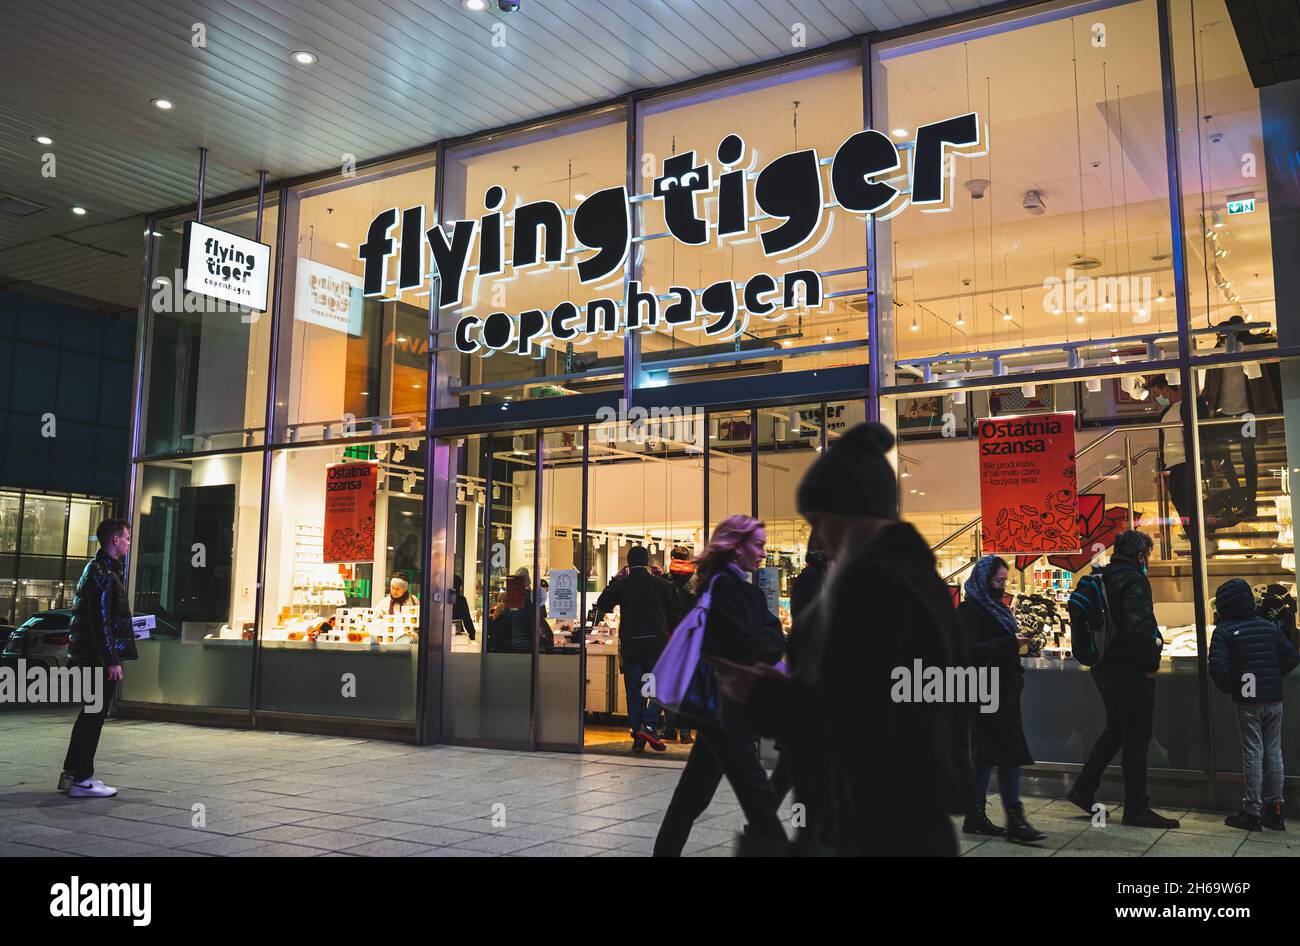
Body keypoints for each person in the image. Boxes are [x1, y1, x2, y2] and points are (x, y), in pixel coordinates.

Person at [713, 424, 969, 856]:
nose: (818, 534)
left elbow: (858, 716)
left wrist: (762, 695)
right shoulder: (913, 578)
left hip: (872, 819)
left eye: (818, 519)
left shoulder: (871, 585)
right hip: (901, 814)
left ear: (844, 513)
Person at [652, 515, 787, 856]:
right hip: (727, 712)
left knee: (689, 801)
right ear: (736, 547)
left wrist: (767, 636)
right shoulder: (731, 589)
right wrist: (770, 639)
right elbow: (754, 642)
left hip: (714, 710)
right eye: (758, 545)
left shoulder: (724, 587)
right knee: (762, 804)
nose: (763, 552)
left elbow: (761, 636)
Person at [1067, 530, 1180, 828]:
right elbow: (1138, 629)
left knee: (1116, 729)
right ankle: (1136, 807)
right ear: (1141, 556)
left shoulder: (1101, 577)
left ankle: (1083, 787)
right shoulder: (1133, 580)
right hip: (1130, 672)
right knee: (1136, 739)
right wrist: (1149, 664)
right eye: (1149, 557)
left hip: (1103, 669)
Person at [958, 556, 1044, 843]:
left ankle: (975, 815)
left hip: (1001, 689)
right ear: (984, 580)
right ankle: (1015, 818)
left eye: (1004, 580)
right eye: (998, 581)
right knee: (1010, 753)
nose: (1002, 586)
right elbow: (968, 651)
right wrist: (1009, 642)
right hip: (986, 692)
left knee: (986, 756)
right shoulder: (971, 610)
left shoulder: (993, 607)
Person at [1209, 578, 1300, 831]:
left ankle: (1252, 812)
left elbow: (1217, 668)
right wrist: (1272, 676)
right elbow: (1292, 655)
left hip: (1249, 702)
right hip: (1273, 700)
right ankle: (1276, 810)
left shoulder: (1224, 631)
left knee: (1253, 753)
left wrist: (1233, 685)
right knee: (1274, 752)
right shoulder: (1268, 626)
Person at [60, 518, 137, 798]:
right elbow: (100, 621)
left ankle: (72, 774)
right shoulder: (103, 572)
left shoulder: (98, 569)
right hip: (96, 660)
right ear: (115, 540)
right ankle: (82, 779)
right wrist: (112, 660)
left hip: (89, 657)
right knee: (93, 716)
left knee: (88, 716)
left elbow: (101, 620)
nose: (129, 543)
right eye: (126, 538)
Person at [595, 545, 677, 752]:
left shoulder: (622, 585)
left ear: (628, 564)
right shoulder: (659, 584)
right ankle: (649, 724)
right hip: (656, 645)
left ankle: (638, 737)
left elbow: (603, 604)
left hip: (631, 644)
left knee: (634, 692)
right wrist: (665, 577)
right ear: (648, 562)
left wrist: (614, 579)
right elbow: (675, 602)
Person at [1201, 315, 1279, 520]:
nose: (1221, 339)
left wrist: (1267, 409)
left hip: (1246, 414)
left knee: (1248, 453)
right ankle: (1238, 492)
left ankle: (1250, 497)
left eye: (1224, 335)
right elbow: (1210, 385)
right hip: (1223, 414)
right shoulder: (1216, 355)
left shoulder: (1246, 353)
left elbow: (1261, 383)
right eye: (1220, 336)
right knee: (1226, 456)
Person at [1144, 375, 1193, 533]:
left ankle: (1201, 539)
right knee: (1181, 507)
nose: (1159, 397)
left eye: (1159, 393)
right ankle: (1196, 540)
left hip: (1188, 463)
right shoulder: (1165, 414)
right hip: (1172, 467)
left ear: (1166, 390)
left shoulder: (1191, 405)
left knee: (1191, 507)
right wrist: (1162, 472)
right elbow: (1162, 444)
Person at [663, 545, 698, 744]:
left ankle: (669, 729)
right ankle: (685, 732)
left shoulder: (666, 581)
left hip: (668, 637)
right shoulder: (697, 581)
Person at [451, 574, 476, 641]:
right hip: (457, 632)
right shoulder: (460, 600)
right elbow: (466, 618)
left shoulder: (441, 599)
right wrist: (472, 633)